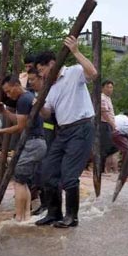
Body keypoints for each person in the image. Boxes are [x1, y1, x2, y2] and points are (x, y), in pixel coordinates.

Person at [34, 35, 98, 228]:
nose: (42, 74)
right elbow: (47, 114)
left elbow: (93, 74)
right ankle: (54, 213)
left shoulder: (74, 72)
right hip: (63, 132)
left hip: (82, 127)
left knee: (69, 175)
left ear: (52, 63)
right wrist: (36, 102)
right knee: (48, 170)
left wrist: (76, 51)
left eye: (42, 69)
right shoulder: (50, 89)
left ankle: (72, 217)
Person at [0, 75, 47, 221]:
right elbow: (20, 120)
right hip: (38, 143)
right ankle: (26, 215)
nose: (8, 95)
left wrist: (1, 132)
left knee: (19, 181)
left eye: (9, 91)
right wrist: (4, 111)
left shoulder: (22, 100)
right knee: (24, 181)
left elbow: (20, 127)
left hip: (32, 143)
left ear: (16, 85)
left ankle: (20, 216)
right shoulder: (29, 96)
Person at [27, 67, 57, 215]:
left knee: (46, 170)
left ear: (41, 78)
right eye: (29, 79)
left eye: (33, 79)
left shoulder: (50, 91)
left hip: (50, 134)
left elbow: (50, 116)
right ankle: (45, 203)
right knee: (38, 171)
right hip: (40, 135)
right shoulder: (34, 94)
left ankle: (50, 205)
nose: (30, 82)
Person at [100, 80, 118, 170]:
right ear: (102, 88)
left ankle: (104, 168)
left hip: (108, 125)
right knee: (105, 147)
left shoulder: (108, 98)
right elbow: (104, 113)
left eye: (111, 87)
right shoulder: (102, 98)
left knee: (112, 147)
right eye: (108, 87)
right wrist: (113, 125)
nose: (110, 89)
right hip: (104, 124)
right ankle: (100, 169)